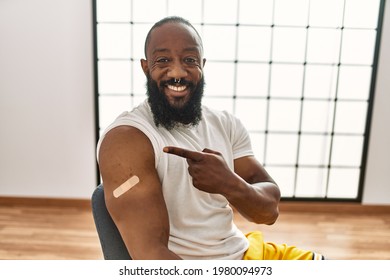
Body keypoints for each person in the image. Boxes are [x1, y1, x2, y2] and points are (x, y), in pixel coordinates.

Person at [97, 16, 325, 260]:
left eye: (189, 60)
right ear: (145, 67)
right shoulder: (127, 140)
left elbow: (269, 212)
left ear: (202, 66)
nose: (177, 71)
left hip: (245, 252)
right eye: (163, 60)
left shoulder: (225, 124)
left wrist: (228, 182)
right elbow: (152, 256)